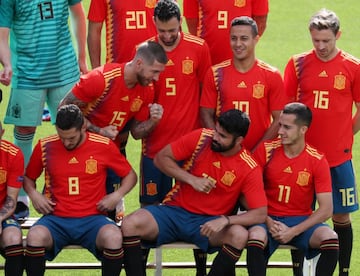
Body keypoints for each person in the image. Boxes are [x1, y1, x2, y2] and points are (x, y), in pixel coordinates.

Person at [121, 109, 268, 276]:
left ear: (239, 140)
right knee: (129, 224)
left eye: (223, 136)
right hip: (175, 212)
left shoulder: (249, 167)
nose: (216, 138)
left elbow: (260, 214)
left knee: (239, 235)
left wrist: (226, 220)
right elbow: (161, 158)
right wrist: (191, 180)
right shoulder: (201, 137)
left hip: (209, 223)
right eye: (216, 131)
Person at [283, 9, 360, 276]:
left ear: (338, 35)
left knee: (341, 217)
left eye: (327, 40)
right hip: (303, 157)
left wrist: (345, 136)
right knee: (299, 216)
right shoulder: (297, 64)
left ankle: (345, 272)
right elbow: (287, 110)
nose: (321, 46)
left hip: (339, 159)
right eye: (316, 40)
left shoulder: (353, 66)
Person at [23, 104, 137, 276]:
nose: (66, 142)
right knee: (34, 237)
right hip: (56, 219)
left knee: (113, 237)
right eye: (62, 137)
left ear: (83, 127)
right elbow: (28, 178)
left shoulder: (103, 145)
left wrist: (117, 195)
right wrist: (34, 194)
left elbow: (130, 176)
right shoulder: (46, 146)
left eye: (71, 138)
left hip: (94, 219)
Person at [140, 1, 211, 274]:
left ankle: (201, 270)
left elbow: (207, 93)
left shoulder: (198, 47)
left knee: (196, 210)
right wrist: (149, 112)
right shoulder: (146, 50)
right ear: (154, 24)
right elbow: (139, 93)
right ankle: (143, 269)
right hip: (155, 148)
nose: (167, 36)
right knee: (149, 208)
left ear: (180, 22)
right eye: (161, 31)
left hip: (190, 149)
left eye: (171, 30)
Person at [60, 40, 167, 221]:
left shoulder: (146, 90)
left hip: (111, 156)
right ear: (139, 63)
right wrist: (98, 130)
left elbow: (136, 132)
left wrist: (153, 121)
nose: (156, 79)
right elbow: (64, 109)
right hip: (82, 154)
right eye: (154, 71)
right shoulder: (100, 79)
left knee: (110, 217)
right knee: (73, 213)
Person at [0, 0, 88, 220]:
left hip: (65, 70)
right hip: (27, 73)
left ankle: (76, 194)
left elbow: (78, 14)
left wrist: (81, 56)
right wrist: (7, 64)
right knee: (24, 131)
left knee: (74, 131)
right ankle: (20, 197)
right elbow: (2, 33)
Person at [246, 102, 339, 276]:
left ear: (303, 130)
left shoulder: (317, 160)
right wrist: (266, 220)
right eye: (280, 125)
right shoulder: (265, 151)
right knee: (256, 237)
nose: (280, 131)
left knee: (330, 239)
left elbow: (326, 209)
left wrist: (294, 231)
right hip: (266, 219)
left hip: (300, 221)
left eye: (287, 127)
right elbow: (245, 192)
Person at [200, 16, 287, 152]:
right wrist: (222, 143)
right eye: (234, 38)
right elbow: (206, 113)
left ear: (256, 39)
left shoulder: (272, 75)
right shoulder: (215, 73)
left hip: (258, 157)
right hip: (224, 155)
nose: (238, 44)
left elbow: (279, 119)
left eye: (244, 38)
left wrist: (257, 152)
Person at [183, 0, 268, 64]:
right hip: (207, 62)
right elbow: (192, 23)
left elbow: (260, 22)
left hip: (241, 64)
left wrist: (242, 47)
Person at [0, 121, 25, 276]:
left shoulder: (13, 154)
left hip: (3, 214)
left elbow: (11, 199)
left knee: (14, 238)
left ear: (2, 133)